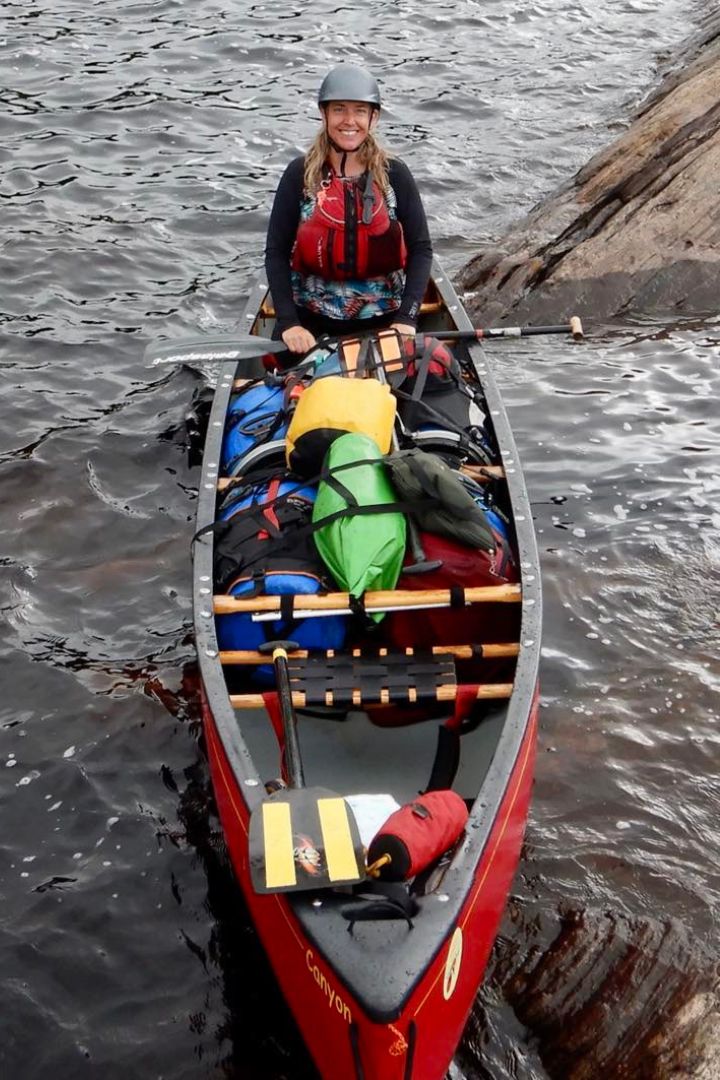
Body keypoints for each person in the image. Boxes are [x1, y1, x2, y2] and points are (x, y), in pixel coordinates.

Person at [264, 63, 433, 355]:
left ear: (373, 117)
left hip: (383, 323)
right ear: (324, 114)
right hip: (310, 325)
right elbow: (276, 252)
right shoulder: (299, 175)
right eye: (339, 109)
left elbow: (421, 249)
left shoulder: (395, 175)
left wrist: (407, 318)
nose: (349, 121)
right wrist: (290, 322)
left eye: (359, 111)